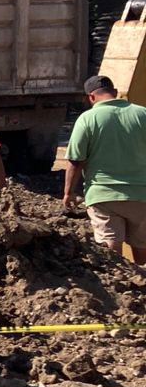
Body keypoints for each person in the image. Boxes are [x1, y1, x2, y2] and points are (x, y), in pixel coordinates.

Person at [63, 74, 146, 257]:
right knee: (142, 253)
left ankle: (119, 282)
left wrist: (68, 193)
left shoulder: (87, 119)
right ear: (115, 93)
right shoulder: (143, 114)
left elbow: (75, 161)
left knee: (111, 252)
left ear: (91, 97)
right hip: (142, 194)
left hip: (103, 196)